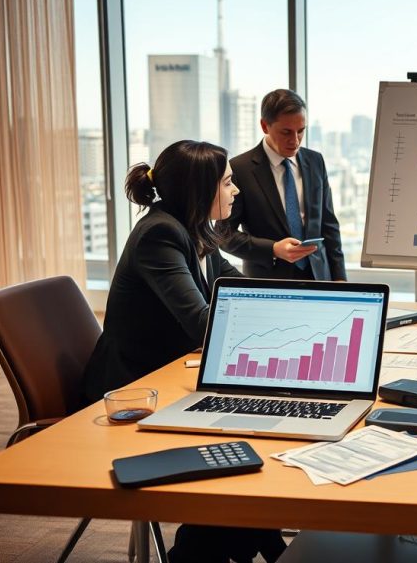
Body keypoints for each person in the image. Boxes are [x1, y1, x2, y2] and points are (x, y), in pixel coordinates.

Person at [82, 140, 286, 562]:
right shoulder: (160, 234)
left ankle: (245, 545)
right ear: (201, 191)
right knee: (243, 437)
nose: (235, 191)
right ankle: (217, 549)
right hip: (132, 388)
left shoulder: (194, 228)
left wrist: (295, 312)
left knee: (254, 429)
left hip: (169, 374)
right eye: (228, 183)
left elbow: (238, 291)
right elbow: (201, 321)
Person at [220, 88, 347, 281]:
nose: (295, 141)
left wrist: (340, 278)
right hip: (268, 280)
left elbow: (329, 225)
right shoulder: (239, 169)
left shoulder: (316, 161)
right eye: (286, 132)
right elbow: (223, 234)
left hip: (320, 278)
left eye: (301, 131)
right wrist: (272, 249)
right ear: (265, 126)